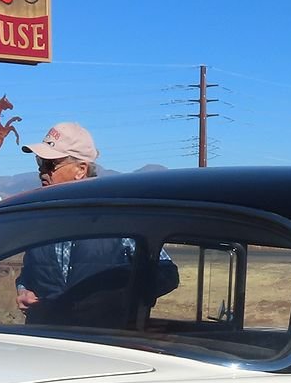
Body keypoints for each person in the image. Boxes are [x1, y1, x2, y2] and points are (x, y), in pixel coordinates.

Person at [14, 122, 178, 326]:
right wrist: (23, 290)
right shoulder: (39, 222)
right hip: (46, 342)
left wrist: (117, 296)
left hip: (102, 343)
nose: (42, 172)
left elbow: (166, 273)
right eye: (40, 164)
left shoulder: (116, 220)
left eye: (51, 164)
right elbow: (28, 274)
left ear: (80, 170)